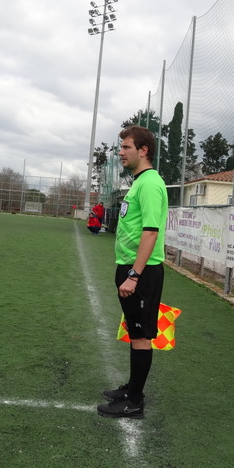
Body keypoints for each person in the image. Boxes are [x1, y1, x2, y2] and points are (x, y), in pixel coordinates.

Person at [97, 125, 168, 419]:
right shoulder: (140, 182)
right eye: (121, 147)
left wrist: (134, 275)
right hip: (130, 267)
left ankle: (134, 402)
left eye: (126, 147)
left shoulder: (150, 183)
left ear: (143, 150)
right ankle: (131, 389)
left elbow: (151, 232)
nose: (121, 153)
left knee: (141, 335)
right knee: (135, 331)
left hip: (142, 272)